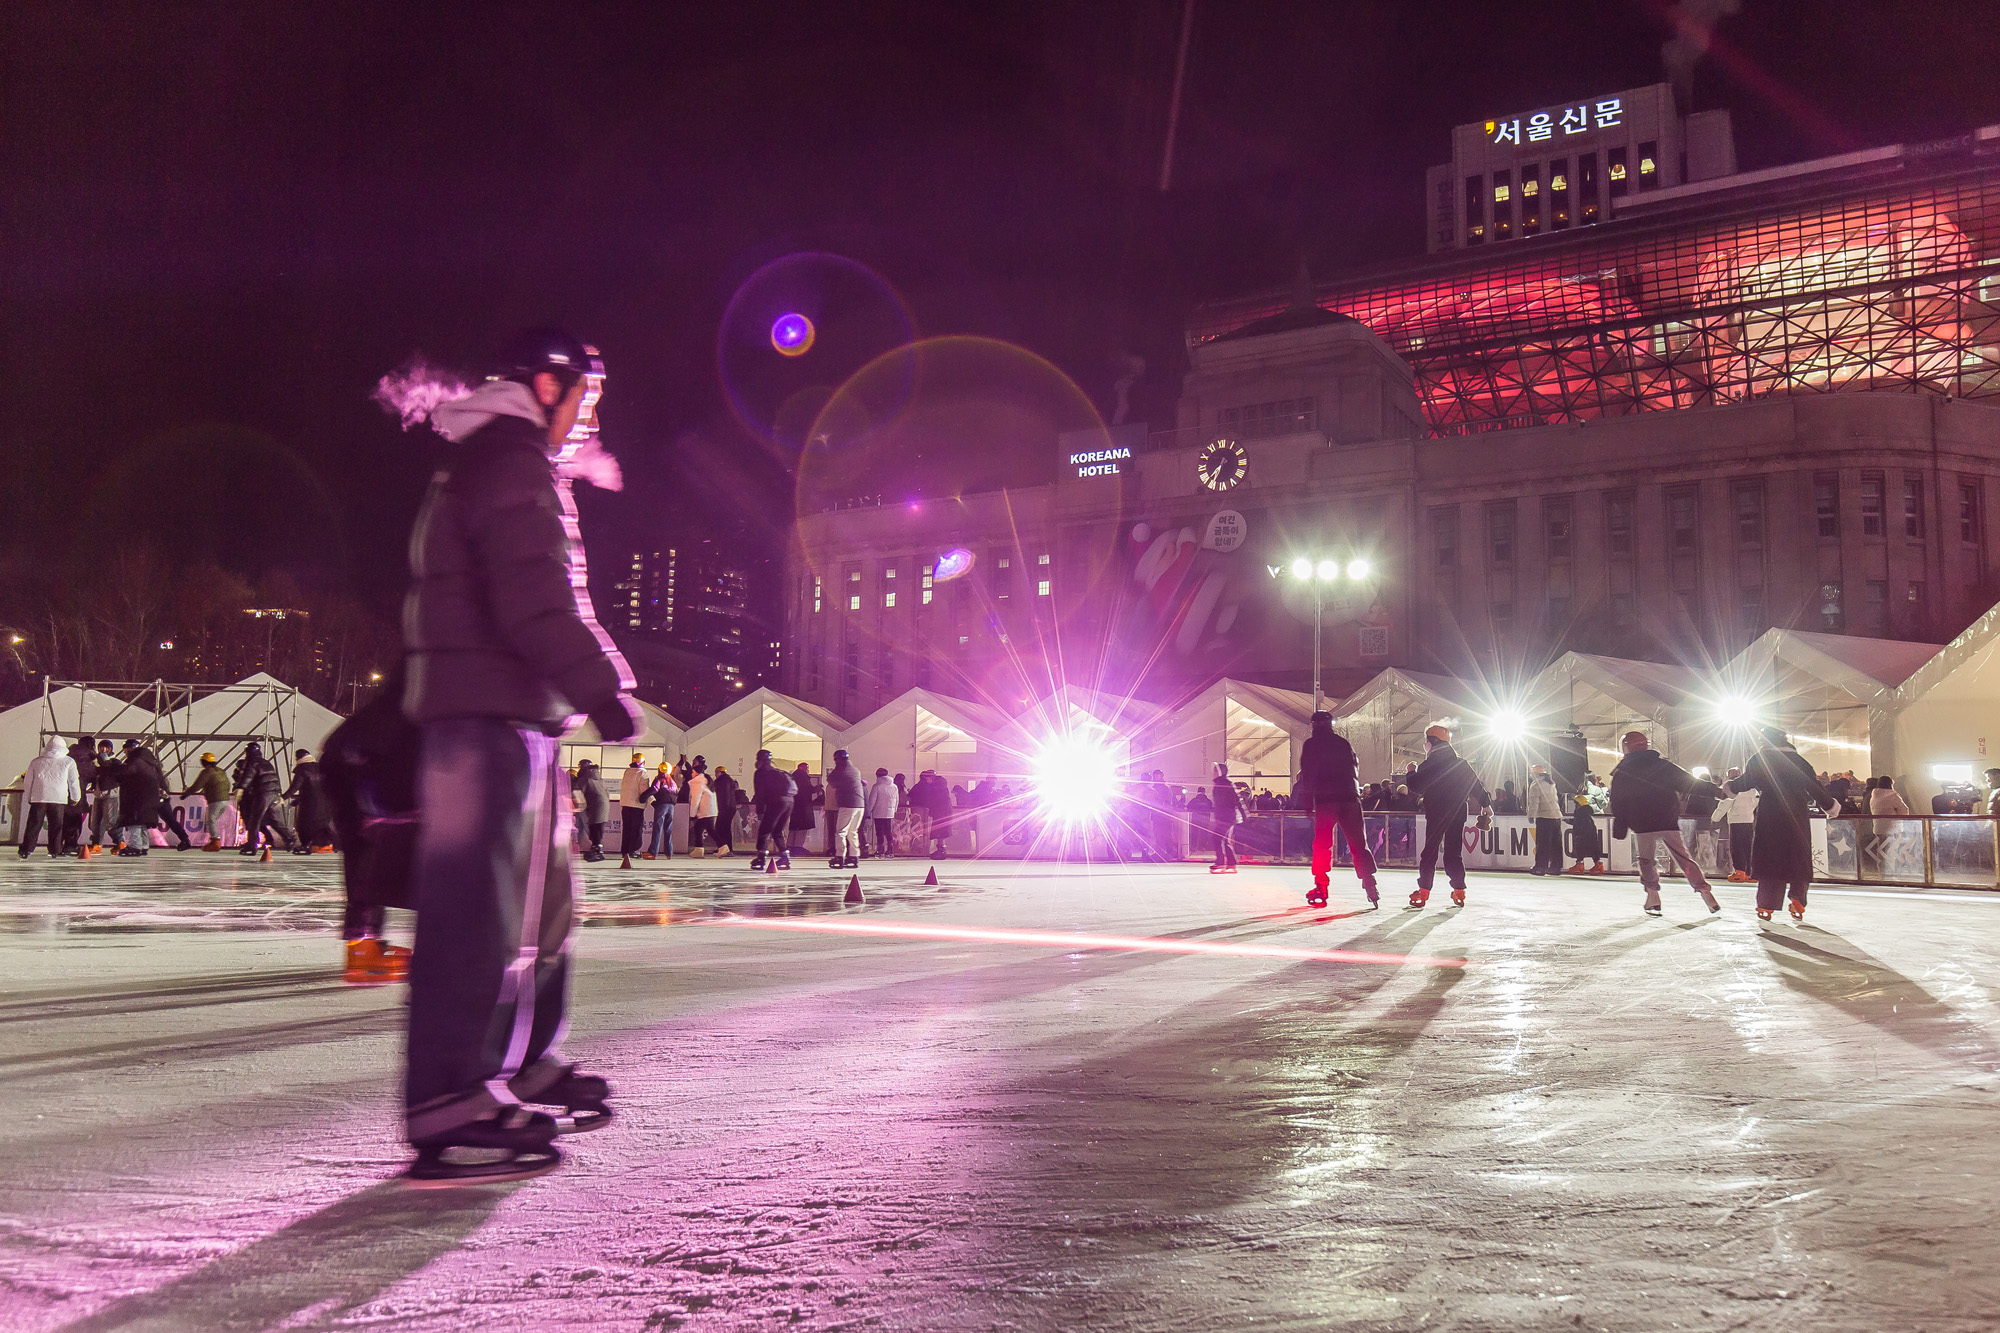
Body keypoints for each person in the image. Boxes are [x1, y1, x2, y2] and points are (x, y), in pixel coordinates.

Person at [399, 327, 638, 1183]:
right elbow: (531, 593)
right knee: (477, 914)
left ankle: (518, 1061)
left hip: (518, 718)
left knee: (538, 916)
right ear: (549, 385)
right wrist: (602, 688)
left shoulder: (517, 461)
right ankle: (450, 1096)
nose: (588, 420)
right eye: (585, 399)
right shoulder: (506, 459)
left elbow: (550, 589)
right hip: (482, 719)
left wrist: (588, 685)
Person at [322, 678, 420, 985]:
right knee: (373, 856)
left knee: (369, 857)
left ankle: (363, 944)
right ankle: (362, 947)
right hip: (357, 780)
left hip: (352, 775)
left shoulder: (402, 703)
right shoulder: (410, 710)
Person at [1607, 731, 1720, 916]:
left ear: (1626, 747)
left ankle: (1653, 897)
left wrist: (1620, 824)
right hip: (1667, 818)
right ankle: (1705, 892)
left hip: (1642, 822)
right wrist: (1715, 790)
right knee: (1683, 858)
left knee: (1646, 861)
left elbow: (1618, 801)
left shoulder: (1623, 771)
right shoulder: (1662, 765)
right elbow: (1688, 783)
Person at [1736, 728, 1838, 922]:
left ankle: (1766, 905)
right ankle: (1798, 900)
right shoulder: (1799, 761)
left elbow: (1745, 782)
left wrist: (1728, 788)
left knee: (1770, 858)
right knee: (1797, 856)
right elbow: (1813, 786)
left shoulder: (1759, 759)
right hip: (1796, 814)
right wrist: (1829, 805)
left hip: (1770, 815)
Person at [1296, 710, 1377, 907]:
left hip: (1326, 801)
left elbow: (1308, 774)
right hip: (1350, 799)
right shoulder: (1343, 743)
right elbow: (1354, 769)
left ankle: (1321, 886)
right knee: (1358, 843)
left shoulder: (1311, 744)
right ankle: (1370, 884)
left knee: (1323, 844)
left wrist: (1307, 804)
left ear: (1313, 725)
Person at [1408, 723, 1489, 909]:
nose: (1426, 744)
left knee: (1430, 851)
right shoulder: (1461, 763)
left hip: (1437, 812)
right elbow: (1475, 785)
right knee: (1454, 852)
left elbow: (1416, 787)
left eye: (1427, 740)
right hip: (1458, 812)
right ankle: (1459, 889)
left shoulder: (1429, 764)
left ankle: (1424, 890)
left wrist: (1411, 772)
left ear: (1433, 741)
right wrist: (1486, 805)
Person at [18, 735, 79, 859]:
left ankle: (26, 849)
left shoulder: (36, 761)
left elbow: (28, 781)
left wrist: (29, 796)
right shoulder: (68, 761)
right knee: (56, 826)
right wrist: (75, 796)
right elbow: (73, 781)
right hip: (58, 798)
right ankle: (54, 850)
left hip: (39, 797)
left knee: (34, 825)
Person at [110, 739, 166, 856]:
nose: (126, 752)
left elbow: (124, 774)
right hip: (149, 798)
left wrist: (115, 767)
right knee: (142, 823)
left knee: (134, 822)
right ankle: (144, 845)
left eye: (128, 749)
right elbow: (161, 778)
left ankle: (135, 846)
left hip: (136, 797)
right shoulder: (150, 761)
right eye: (125, 750)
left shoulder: (135, 761)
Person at [751, 749, 795, 871]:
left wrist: (760, 811)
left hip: (777, 802)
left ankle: (761, 857)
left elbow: (759, 793)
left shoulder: (760, 772)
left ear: (759, 760)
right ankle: (785, 857)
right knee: (777, 830)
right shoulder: (777, 772)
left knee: (764, 831)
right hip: (789, 801)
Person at [286, 748, 334, 853]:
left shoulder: (303, 768)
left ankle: (305, 845)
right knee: (322, 826)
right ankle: (336, 844)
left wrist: (284, 797)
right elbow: (315, 788)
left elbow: (296, 786)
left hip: (309, 805)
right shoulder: (320, 768)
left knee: (304, 825)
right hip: (325, 803)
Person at [825, 748, 866, 870]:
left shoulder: (840, 771)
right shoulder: (855, 770)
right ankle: (854, 856)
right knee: (852, 832)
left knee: (841, 832)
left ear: (837, 760)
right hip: (860, 805)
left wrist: (834, 770)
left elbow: (831, 781)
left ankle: (840, 856)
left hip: (847, 805)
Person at [1524, 764, 1564, 875]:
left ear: (1535, 774)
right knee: (1556, 844)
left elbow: (1534, 802)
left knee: (1543, 844)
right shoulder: (1551, 783)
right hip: (1556, 816)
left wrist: (1531, 815)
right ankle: (1556, 867)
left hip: (1544, 817)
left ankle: (1540, 867)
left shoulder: (1536, 785)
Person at [186, 752, 231, 850]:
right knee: (213, 820)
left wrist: (186, 794)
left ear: (204, 762)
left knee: (211, 821)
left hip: (215, 800)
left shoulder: (207, 772)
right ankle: (215, 840)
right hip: (225, 800)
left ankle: (215, 842)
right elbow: (228, 785)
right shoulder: (221, 771)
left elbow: (197, 785)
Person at [1722, 769, 1758, 881]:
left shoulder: (1733, 788)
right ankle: (1749, 872)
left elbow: (1725, 804)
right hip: (1749, 820)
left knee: (1737, 847)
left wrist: (1715, 818)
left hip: (1736, 821)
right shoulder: (1752, 789)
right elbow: (1757, 802)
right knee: (1749, 846)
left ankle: (1739, 871)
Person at [87, 738, 120, 855]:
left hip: (111, 795)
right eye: (101, 747)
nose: (103, 750)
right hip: (98, 794)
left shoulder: (115, 762)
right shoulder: (95, 762)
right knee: (95, 822)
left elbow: (117, 774)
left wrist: (106, 762)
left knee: (110, 821)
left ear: (111, 750)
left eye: (106, 748)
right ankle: (96, 844)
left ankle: (120, 843)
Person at [1208, 762, 1243, 872]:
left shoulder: (1225, 784)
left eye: (1215, 770)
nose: (1213, 773)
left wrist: (1243, 814)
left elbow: (1236, 800)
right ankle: (1231, 863)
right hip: (1226, 816)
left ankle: (1220, 862)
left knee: (1216, 838)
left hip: (1227, 817)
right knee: (1225, 840)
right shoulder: (1221, 783)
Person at [616, 751, 649, 869]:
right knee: (636, 829)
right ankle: (633, 850)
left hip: (625, 804)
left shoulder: (627, 772)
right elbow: (644, 791)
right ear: (643, 762)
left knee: (627, 828)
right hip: (636, 805)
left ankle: (624, 851)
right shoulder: (642, 773)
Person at [574, 758, 608, 861]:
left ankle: (597, 850)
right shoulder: (598, 778)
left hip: (595, 805)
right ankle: (597, 848)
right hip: (603, 805)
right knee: (597, 827)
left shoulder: (586, 778)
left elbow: (579, 793)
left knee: (594, 828)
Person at [1566, 791, 1605, 873]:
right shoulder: (1586, 813)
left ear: (1578, 804)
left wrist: (1577, 834)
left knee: (1580, 849)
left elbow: (1579, 823)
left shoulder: (1580, 812)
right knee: (1593, 849)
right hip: (1592, 834)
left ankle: (1580, 865)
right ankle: (1598, 864)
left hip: (1582, 834)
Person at [687, 758, 719, 855]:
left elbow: (695, 799)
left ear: (696, 772)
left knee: (710, 830)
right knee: (698, 828)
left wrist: (692, 814)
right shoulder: (705, 779)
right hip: (709, 810)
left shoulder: (697, 782)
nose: (691, 773)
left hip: (705, 811)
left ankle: (723, 846)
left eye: (692, 771)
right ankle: (699, 849)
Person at [644, 764, 677, 859]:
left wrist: (644, 797)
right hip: (671, 807)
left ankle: (653, 852)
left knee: (657, 828)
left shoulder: (659, 779)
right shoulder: (672, 781)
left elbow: (654, 789)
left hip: (661, 805)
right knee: (668, 830)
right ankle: (669, 853)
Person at [866, 766, 899, 857]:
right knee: (888, 831)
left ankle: (880, 849)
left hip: (878, 812)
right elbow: (896, 800)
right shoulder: (894, 786)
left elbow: (872, 800)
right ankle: (890, 849)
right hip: (889, 813)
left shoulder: (877, 786)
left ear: (877, 775)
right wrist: (894, 810)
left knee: (879, 831)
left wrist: (869, 810)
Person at [788, 762, 818, 855]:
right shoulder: (803, 777)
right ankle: (798, 847)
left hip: (794, 806)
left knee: (794, 828)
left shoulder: (793, 777)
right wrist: (818, 788)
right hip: (803, 807)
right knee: (802, 828)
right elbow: (808, 790)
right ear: (804, 768)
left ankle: (789, 846)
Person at [711, 764, 740, 856]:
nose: (715, 774)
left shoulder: (723, 781)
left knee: (720, 827)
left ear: (720, 773)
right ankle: (725, 847)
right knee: (724, 828)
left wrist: (724, 807)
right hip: (729, 807)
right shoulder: (727, 780)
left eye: (716, 772)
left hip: (726, 808)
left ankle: (725, 847)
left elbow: (725, 795)